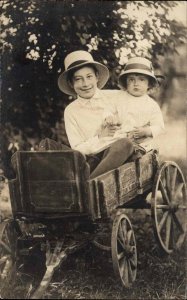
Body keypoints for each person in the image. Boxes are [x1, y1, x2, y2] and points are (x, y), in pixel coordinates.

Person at [58, 50, 134, 178]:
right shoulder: (71, 111)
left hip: (120, 155)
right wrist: (100, 138)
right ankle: (90, 185)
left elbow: (132, 127)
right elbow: (77, 149)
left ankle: (89, 187)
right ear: (71, 83)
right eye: (78, 79)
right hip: (91, 162)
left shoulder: (115, 97)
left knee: (125, 143)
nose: (86, 84)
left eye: (89, 77)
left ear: (97, 77)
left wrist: (118, 124)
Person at [104, 56, 165, 152]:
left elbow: (159, 126)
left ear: (149, 84)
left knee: (132, 149)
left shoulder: (151, 105)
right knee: (104, 148)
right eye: (131, 80)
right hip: (115, 139)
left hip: (139, 143)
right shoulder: (119, 97)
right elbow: (108, 108)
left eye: (141, 79)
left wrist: (146, 131)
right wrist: (109, 117)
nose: (136, 83)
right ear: (126, 82)